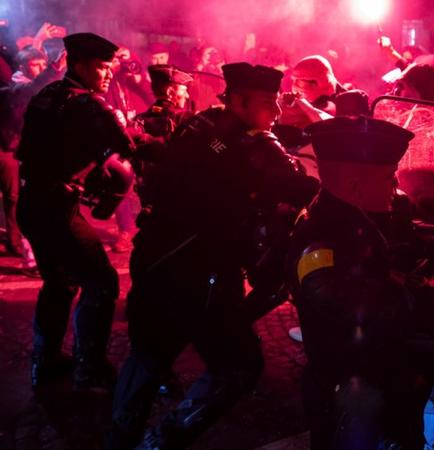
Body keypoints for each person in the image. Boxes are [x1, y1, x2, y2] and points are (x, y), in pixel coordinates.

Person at [107, 62, 318, 450]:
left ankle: (120, 440)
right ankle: (161, 441)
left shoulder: (199, 124)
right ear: (238, 101)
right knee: (240, 365)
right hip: (202, 273)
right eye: (268, 102)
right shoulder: (255, 145)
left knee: (149, 353)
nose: (275, 111)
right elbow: (303, 188)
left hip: (155, 257)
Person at [287, 115, 434, 449]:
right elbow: (428, 311)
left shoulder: (351, 219)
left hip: (382, 387)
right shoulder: (323, 250)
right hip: (357, 404)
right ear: (354, 187)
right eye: (387, 178)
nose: (395, 189)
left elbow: (398, 244)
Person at [16, 32, 134, 390]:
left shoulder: (48, 94)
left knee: (60, 282)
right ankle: (90, 368)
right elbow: (125, 152)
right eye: (102, 66)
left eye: (111, 66)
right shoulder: (86, 104)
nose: (109, 73)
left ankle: (46, 359)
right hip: (57, 208)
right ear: (79, 64)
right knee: (102, 283)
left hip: (32, 204)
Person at [0, 46, 65, 264]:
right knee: (15, 199)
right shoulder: (17, 86)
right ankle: (24, 248)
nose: (38, 69)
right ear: (22, 67)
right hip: (8, 150)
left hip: (28, 150)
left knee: (28, 199)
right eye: (34, 65)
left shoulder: (42, 88)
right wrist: (54, 68)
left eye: (42, 65)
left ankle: (24, 245)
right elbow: (33, 89)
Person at [128, 64, 194, 209]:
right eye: (185, 90)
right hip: (177, 195)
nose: (188, 95)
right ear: (171, 92)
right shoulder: (184, 119)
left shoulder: (139, 119)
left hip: (147, 194)